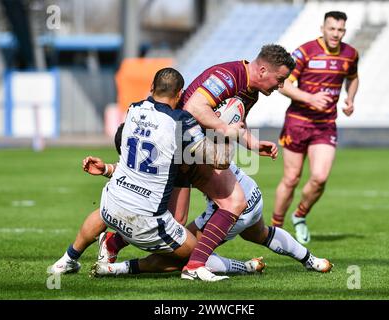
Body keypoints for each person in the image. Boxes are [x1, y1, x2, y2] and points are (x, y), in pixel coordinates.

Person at [48, 69, 261, 281]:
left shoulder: (133, 110)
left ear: (151, 88)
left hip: (111, 206)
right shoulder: (182, 121)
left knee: (107, 209)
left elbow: (135, 162)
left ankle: (68, 258)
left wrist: (107, 169)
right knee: (197, 253)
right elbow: (221, 162)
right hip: (147, 223)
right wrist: (227, 133)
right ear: (179, 94)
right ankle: (245, 267)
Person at [87, 156, 333, 278]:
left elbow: (152, 177)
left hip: (230, 209)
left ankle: (114, 268)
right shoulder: (198, 133)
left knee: (182, 253)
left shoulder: (179, 149)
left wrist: (109, 170)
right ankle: (311, 260)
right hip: (251, 192)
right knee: (261, 234)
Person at [173, 44, 296, 280]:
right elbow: (194, 106)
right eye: (279, 79)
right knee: (234, 201)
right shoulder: (228, 76)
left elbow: (237, 123)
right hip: (183, 144)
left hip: (189, 149)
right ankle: (195, 267)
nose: (280, 86)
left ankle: (113, 244)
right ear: (262, 70)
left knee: (174, 224)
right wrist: (222, 128)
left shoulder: (251, 92)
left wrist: (254, 144)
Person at [271, 11, 359, 244]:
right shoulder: (305, 52)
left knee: (319, 177)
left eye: (340, 30)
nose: (336, 34)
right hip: (298, 122)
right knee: (291, 178)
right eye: (332, 29)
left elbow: (353, 77)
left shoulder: (350, 54)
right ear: (323, 28)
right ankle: (275, 230)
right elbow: (283, 85)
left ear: (344, 31)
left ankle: (299, 215)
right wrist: (309, 99)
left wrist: (350, 99)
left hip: (325, 125)